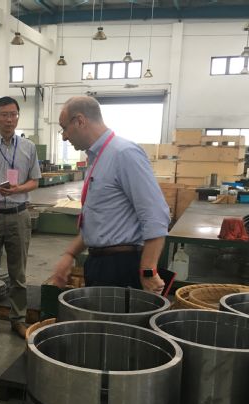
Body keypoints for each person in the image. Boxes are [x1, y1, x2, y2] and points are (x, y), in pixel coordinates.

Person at [52, 96, 170, 293]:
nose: (64, 137)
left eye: (64, 128)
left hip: (121, 267)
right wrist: (70, 254)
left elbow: (156, 215)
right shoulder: (97, 158)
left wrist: (148, 270)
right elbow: (100, 221)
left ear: (80, 121)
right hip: (100, 265)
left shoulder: (124, 154)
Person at [0, 97, 41, 337]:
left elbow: (35, 180)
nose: (9, 119)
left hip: (18, 215)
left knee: (18, 274)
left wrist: (18, 189)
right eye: (4, 114)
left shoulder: (28, 147)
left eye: (13, 114)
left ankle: (18, 319)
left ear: (17, 117)